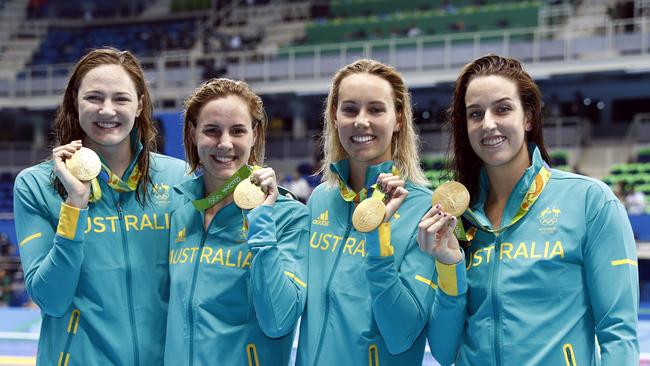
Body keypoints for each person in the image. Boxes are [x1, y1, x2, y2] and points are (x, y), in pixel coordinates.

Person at [424, 54, 638, 365]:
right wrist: (449, 264)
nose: (488, 123)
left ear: (528, 117)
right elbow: (444, 352)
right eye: (475, 113)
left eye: (502, 109)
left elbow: (618, 333)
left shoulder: (590, 201)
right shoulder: (459, 219)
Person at [13, 47, 188, 365]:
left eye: (120, 98)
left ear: (139, 106)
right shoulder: (36, 185)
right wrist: (74, 205)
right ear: (75, 103)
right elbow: (51, 299)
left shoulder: (178, 179)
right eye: (94, 98)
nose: (107, 110)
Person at [295, 59, 467, 365]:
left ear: (398, 119)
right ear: (334, 117)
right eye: (350, 109)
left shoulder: (426, 213)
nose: (361, 121)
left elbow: (402, 334)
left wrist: (378, 239)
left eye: (376, 109)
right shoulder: (321, 199)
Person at [164, 78, 309, 365]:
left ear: (254, 134)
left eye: (238, 131)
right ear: (193, 133)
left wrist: (262, 224)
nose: (225, 143)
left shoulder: (289, 216)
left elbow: (278, 322)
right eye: (212, 130)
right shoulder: (179, 208)